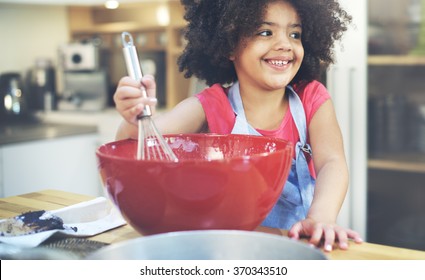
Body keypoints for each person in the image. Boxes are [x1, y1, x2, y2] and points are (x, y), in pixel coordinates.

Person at [114, 0, 363, 252]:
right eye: (266, 32)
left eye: (294, 34)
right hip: (232, 249)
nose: (285, 44)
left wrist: (321, 218)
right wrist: (135, 117)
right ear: (230, 45)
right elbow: (141, 139)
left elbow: (332, 162)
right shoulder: (210, 105)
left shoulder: (311, 98)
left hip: (299, 245)